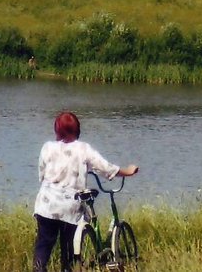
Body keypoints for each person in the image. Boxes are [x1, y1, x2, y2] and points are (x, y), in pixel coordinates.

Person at [33, 111, 137, 272]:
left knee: (43, 246)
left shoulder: (47, 147)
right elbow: (105, 167)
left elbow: (41, 174)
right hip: (69, 207)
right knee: (68, 250)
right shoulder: (83, 149)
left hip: (46, 205)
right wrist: (127, 171)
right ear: (77, 129)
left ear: (57, 129)